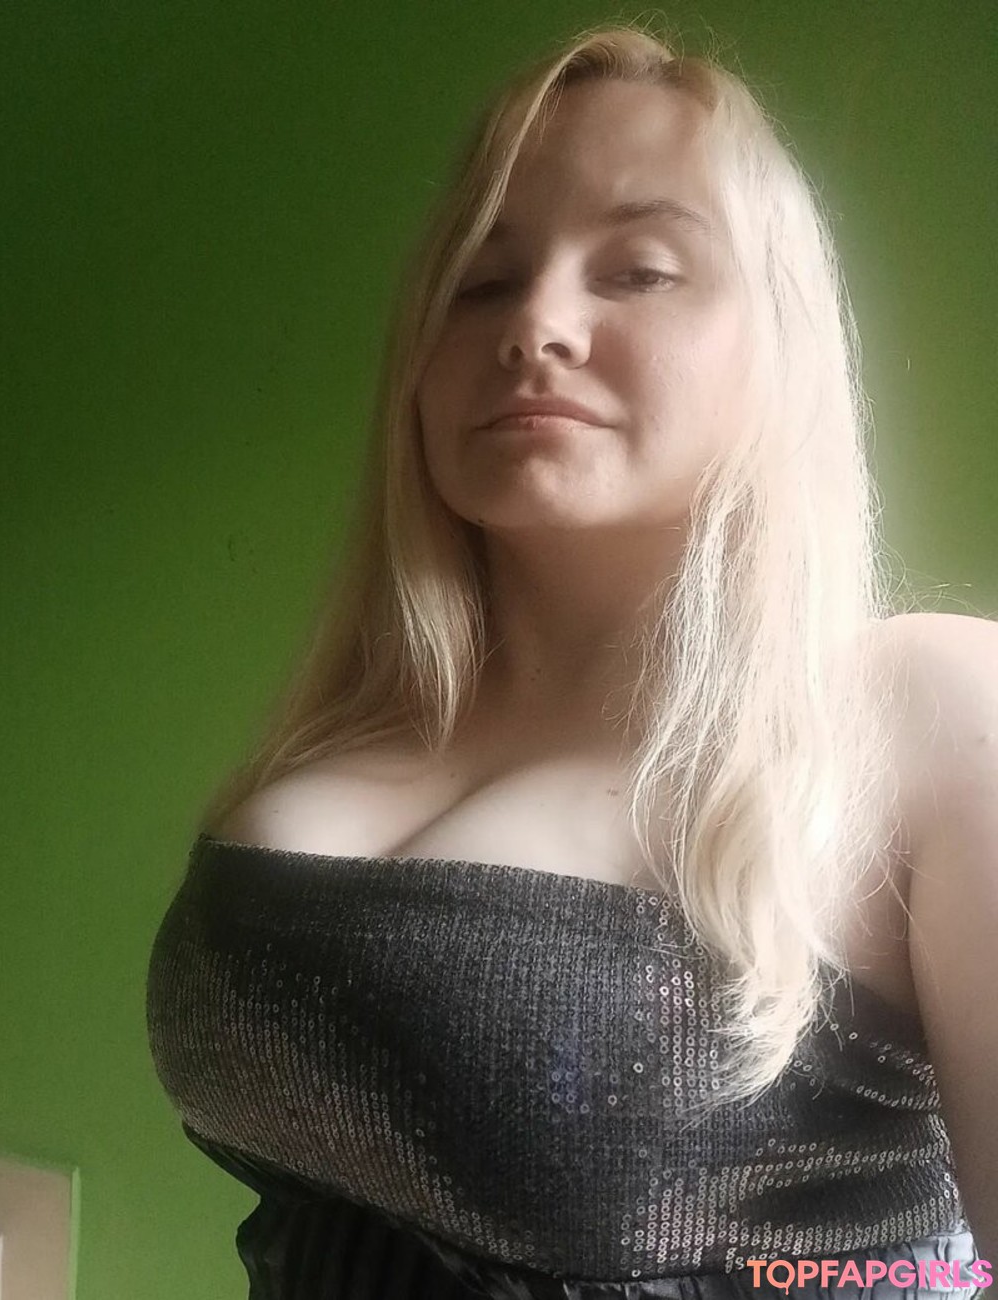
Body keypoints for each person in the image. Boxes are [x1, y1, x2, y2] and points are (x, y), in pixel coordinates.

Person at [146, 19, 998, 1299]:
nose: (535, 324)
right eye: (481, 282)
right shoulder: (358, 730)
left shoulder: (922, 713)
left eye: (640, 270)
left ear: (780, 340)